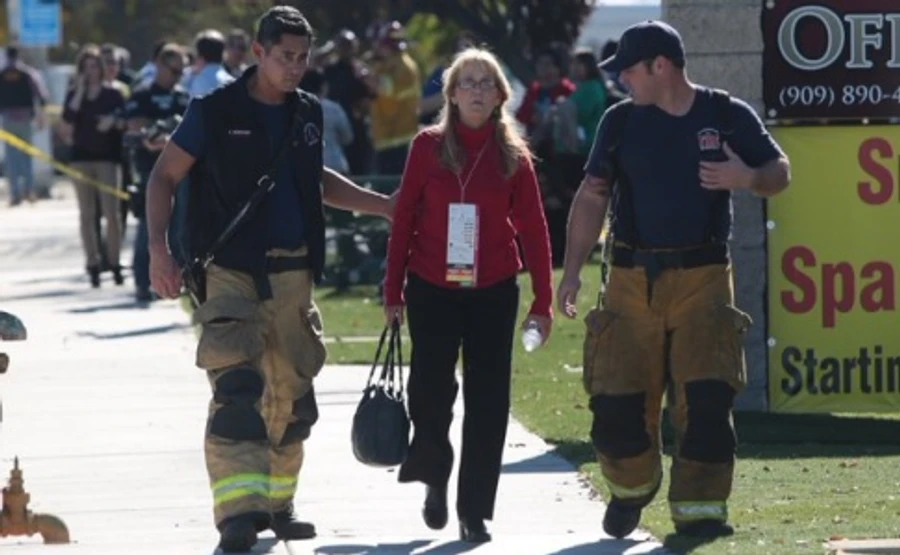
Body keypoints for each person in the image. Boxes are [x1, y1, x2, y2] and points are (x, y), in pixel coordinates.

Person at [144, 6, 394, 553]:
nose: (295, 67)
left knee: (292, 397)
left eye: (303, 57)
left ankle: (279, 503)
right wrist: (159, 251)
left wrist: (382, 205)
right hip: (230, 271)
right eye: (285, 56)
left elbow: (313, 178)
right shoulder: (214, 111)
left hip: (294, 273)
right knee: (238, 392)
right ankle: (238, 514)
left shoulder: (307, 111)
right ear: (258, 52)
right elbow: (164, 176)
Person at [556, 21, 791, 540]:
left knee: (706, 403)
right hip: (629, 281)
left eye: (629, 71)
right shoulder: (619, 121)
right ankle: (631, 489)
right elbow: (593, 195)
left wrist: (748, 178)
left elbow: (779, 171)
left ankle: (700, 513)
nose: (622, 81)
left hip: (704, 280)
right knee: (616, 407)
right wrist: (571, 272)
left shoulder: (725, 115)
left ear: (660, 66)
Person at [383, 47, 554, 544]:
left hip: (494, 289)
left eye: (486, 83)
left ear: (500, 95)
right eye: (467, 82)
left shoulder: (514, 156)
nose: (477, 90)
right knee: (429, 394)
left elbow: (535, 229)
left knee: (488, 400)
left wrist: (543, 301)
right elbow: (404, 219)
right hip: (431, 286)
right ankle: (434, 475)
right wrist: (392, 289)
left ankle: (474, 510)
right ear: (451, 95)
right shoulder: (426, 146)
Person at [124, 43, 191, 302]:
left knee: (181, 225)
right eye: (174, 71)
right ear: (160, 66)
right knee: (150, 227)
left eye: (181, 72)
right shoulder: (142, 94)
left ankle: (177, 280)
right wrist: (152, 135)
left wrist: (173, 139)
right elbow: (135, 126)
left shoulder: (183, 97)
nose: (177, 77)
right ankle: (143, 281)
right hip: (150, 169)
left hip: (180, 168)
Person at [59, 45, 127, 287]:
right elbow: (67, 119)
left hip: (107, 158)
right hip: (81, 158)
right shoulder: (75, 94)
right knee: (86, 214)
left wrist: (112, 121)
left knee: (111, 214)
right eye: (86, 67)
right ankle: (92, 263)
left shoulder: (113, 93)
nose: (91, 71)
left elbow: (125, 119)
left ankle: (115, 262)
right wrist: (79, 90)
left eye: (95, 66)